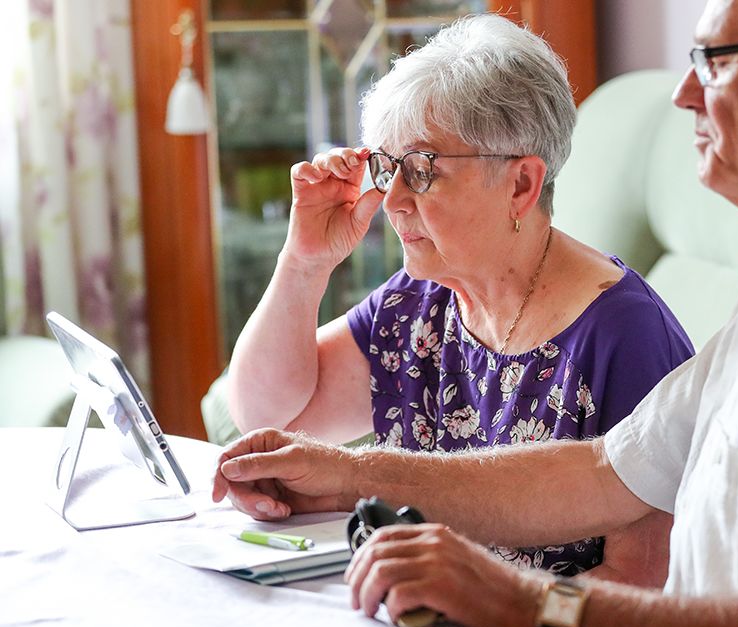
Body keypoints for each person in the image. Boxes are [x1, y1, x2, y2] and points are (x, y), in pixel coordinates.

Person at [214, 1, 738, 627]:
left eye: (715, 62)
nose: (683, 94)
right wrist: (351, 473)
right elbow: (605, 472)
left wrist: (516, 601)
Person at [223, 13, 693, 583]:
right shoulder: (420, 302)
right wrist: (304, 263)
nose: (392, 200)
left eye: (421, 170)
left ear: (520, 184)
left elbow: (643, 582)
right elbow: (267, 414)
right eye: (387, 167)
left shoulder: (625, 336)